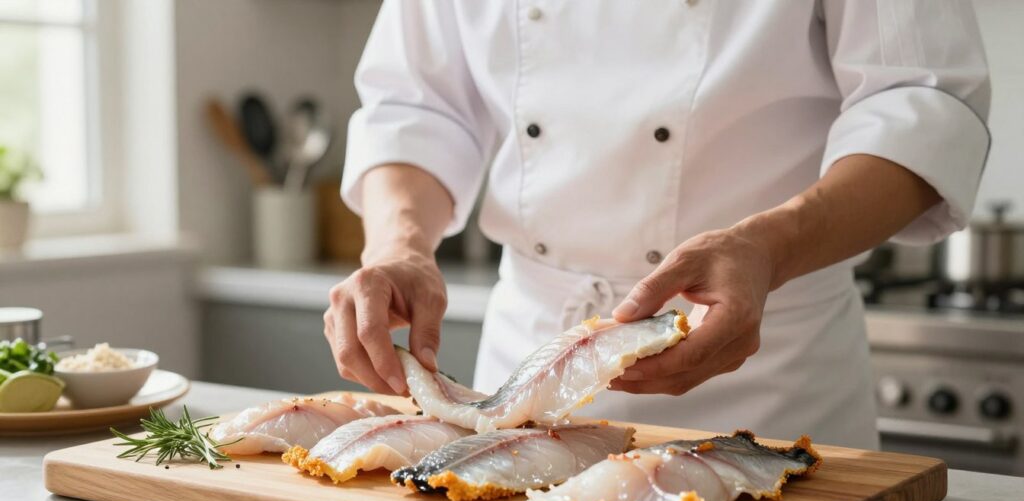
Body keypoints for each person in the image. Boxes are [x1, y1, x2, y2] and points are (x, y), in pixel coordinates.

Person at [324, 1, 990, 449]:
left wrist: (767, 248)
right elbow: (417, 107)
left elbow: (921, 103)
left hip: (769, 386)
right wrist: (399, 245)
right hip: (524, 367)